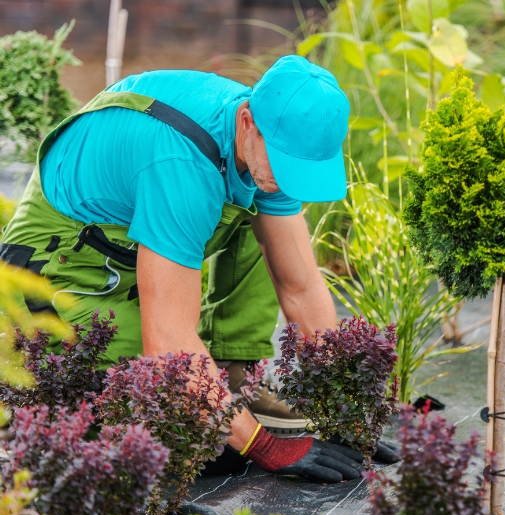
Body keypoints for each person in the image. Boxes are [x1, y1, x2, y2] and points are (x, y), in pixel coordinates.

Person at [0, 55, 397, 482]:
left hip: (132, 247)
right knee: (177, 439)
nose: (287, 182)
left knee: (265, 225)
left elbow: (300, 285)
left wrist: (346, 415)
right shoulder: (182, 163)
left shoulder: (266, 148)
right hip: (56, 266)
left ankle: (236, 379)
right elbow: (168, 343)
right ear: (247, 120)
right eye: (284, 166)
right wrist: (263, 445)